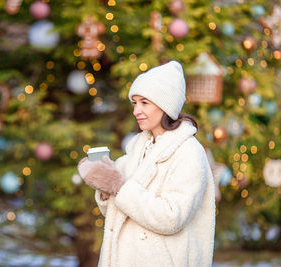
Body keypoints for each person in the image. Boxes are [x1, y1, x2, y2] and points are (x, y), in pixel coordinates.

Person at [77, 61, 215, 267]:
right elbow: (118, 212)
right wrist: (105, 186)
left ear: (164, 104)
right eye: (134, 103)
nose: (136, 111)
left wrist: (118, 186)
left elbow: (172, 217)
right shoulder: (137, 149)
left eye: (144, 103)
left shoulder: (189, 152)